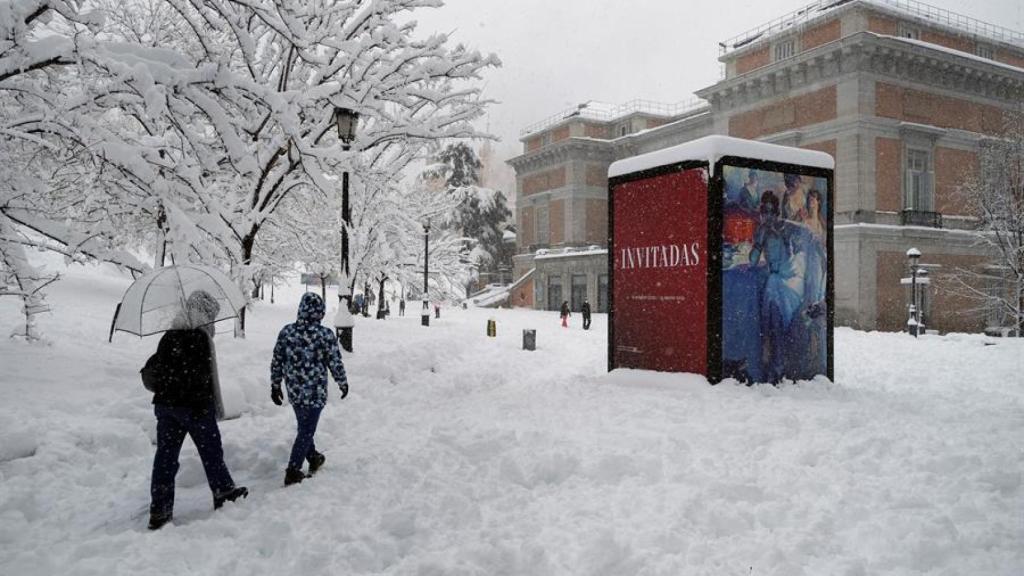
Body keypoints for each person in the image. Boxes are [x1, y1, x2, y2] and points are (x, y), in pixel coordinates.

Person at [148, 290, 247, 530]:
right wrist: (214, 407)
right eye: (211, 315)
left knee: (165, 458)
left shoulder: (169, 335)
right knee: (211, 450)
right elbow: (207, 378)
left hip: (166, 407)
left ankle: (159, 511)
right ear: (204, 313)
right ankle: (223, 491)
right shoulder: (200, 337)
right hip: (195, 407)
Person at [270, 292, 349, 486]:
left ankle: (313, 456)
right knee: (306, 429)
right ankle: (293, 470)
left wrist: (275, 384)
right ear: (320, 312)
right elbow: (334, 362)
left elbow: (277, 360)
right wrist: (342, 382)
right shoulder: (325, 335)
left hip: (294, 391)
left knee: (304, 427)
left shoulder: (287, 332)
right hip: (315, 392)